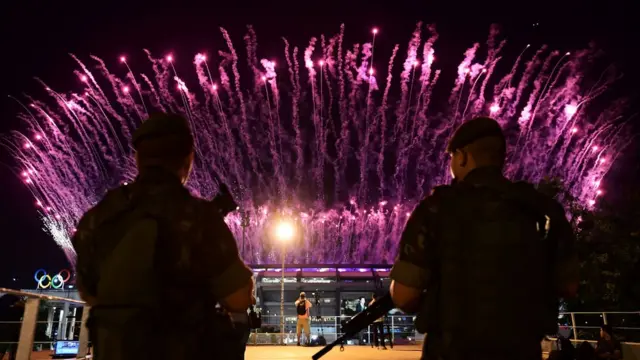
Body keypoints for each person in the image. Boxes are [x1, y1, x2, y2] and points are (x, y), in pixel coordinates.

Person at [389, 116, 579, 360]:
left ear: (463, 156)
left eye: (451, 158)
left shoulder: (435, 209)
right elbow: (569, 286)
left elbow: (404, 295)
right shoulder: (543, 210)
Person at [72, 113, 255, 360]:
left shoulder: (99, 217)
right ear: (188, 159)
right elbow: (239, 299)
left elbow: (89, 292)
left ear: (138, 159)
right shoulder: (200, 217)